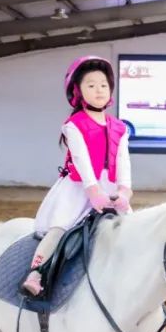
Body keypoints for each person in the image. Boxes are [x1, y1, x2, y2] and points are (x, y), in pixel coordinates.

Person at [23, 56, 133, 296]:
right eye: (91, 85)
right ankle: (37, 273)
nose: (99, 90)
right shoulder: (74, 124)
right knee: (60, 229)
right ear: (78, 91)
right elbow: (82, 160)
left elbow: (123, 160)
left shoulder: (120, 127)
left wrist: (124, 190)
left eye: (103, 85)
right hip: (79, 188)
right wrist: (93, 191)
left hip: (111, 187)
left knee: (133, 231)